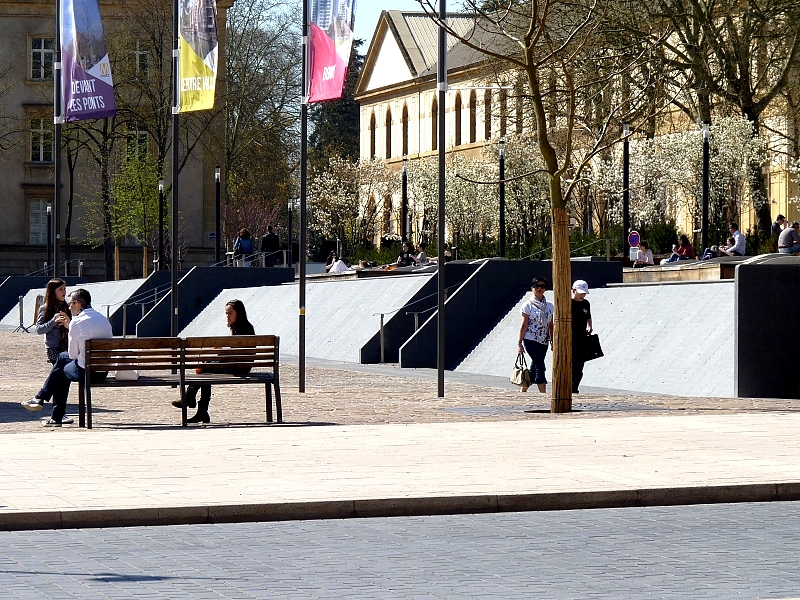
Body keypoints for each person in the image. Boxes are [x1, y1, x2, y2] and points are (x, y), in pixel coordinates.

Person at [21, 288, 113, 426]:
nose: (69, 306)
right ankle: (47, 406)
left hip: (86, 372)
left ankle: (42, 400)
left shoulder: (77, 322)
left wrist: (71, 327)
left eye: (70, 303)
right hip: (102, 372)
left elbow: (72, 355)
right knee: (62, 361)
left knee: (62, 364)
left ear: (77, 303)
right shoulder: (103, 319)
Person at [172, 299, 255, 424]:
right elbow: (232, 353)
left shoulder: (245, 330)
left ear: (239, 313)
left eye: (230, 313)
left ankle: (190, 398)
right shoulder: (242, 328)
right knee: (206, 370)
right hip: (237, 364)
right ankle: (201, 411)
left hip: (239, 367)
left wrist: (218, 353)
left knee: (205, 368)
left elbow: (234, 354)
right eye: (226, 313)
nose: (227, 316)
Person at [517, 277, 554, 393]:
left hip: (543, 340)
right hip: (530, 339)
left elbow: (551, 325)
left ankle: (524, 389)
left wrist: (552, 340)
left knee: (535, 365)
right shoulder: (527, 306)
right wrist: (519, 342)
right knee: (540, 365)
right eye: (536, 286)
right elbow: (524, 325)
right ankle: (543, 393)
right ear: (532, 288)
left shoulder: (550, 306)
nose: (539, 288)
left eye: (542, 286)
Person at [35, 278, 70, 364]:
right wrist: (53, 321)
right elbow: (39, 329)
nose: (64, 292)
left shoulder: (68, 307)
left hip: (69, 344)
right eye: (60, 289)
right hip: (54, 347)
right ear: (53, 292)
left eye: (64, 289)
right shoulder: (45, 308)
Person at [571, 280, 593, 394]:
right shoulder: (569, 303)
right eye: (580, 293)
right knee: (573, 362)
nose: (582, 296)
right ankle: (569, 386)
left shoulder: (586, 303)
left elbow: (588, 316)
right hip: (571, 338)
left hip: (582, 337)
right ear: (574, 290)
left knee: (580, 364)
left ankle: (575, 387)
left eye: (584, 293)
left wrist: (590, 325)